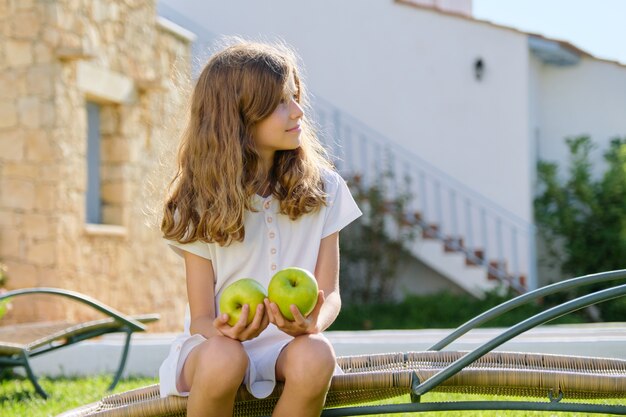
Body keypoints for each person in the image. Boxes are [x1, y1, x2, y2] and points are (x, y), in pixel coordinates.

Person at [158, 39, 362, 417]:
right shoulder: (198, 201)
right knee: (224, 359)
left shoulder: (325, 189)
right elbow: (201, 316)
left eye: (295, 96)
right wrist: (225, 331)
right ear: (238, 116)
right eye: (281, 102)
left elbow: (329, 291)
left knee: (317, 354)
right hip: (214, 345)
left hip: (289, 347)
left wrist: (313, 321)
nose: (298, 111)